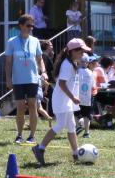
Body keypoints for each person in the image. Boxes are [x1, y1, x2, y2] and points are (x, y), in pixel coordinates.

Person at [31, 38, 91, 166]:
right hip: (62, 100)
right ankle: (40, 148)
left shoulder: (72, 63)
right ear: (73, 51)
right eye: (81, 51)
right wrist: (73, 97)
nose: (83, 53)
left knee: (71, 126)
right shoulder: (67, 65)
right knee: (60, 124)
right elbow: (62, 84)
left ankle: (76, 154)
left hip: (66, 101)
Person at [5, 15, 47, 145]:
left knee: (33, 106)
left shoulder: (35, 41)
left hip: (33, 79)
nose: (31, 28)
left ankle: (32, 136)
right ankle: (19, 135)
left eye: (32, 26)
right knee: (20, 108)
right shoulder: (12, 41)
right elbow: (8, 62)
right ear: (21, 26)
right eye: (28, 25)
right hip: (18, 80)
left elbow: (40, 59)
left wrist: (44, 72)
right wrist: (8, 79)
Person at [75, 54, 97, 138]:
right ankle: (86, 132)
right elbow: (93, 85)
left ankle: (78, 126)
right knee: (86, 115)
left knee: (75, 113)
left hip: (77, 97)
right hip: (87, 98)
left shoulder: (77, 71)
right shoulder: (91, 72)